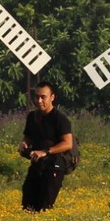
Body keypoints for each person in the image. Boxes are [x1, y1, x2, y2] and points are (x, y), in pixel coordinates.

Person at [19, 82, 76, 212]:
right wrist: (24, 144)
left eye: (43, 97)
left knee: (45, 207)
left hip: (55, 165)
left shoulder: (60, 119)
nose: (39, 101)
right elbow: (28, 136)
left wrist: (45, 152)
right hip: (37, 163)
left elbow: (68, 143)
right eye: (36, 97)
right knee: (27, 204)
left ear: (52, 97)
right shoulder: (32, 117)